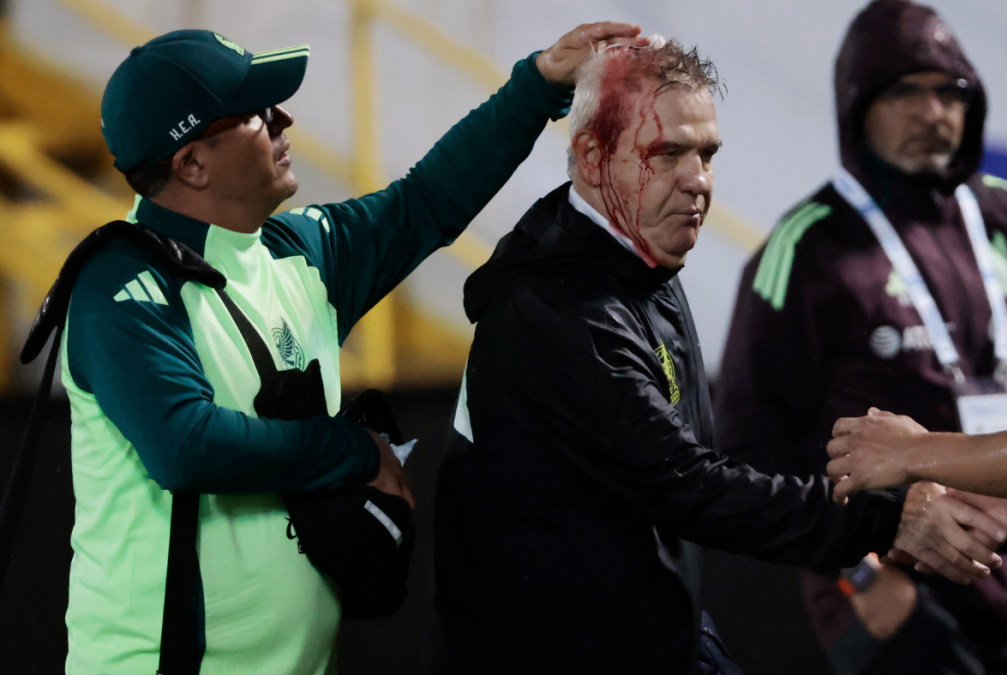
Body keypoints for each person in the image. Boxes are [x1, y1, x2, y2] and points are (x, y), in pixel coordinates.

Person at [63, 23, 644, 674]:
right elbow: (185, 444)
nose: (282, 116)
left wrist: (534, 87)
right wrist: (352, 450)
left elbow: (423, 203)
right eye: (257, 112)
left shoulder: (297, 252)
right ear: (192, 163)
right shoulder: (117, 285)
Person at [433, 36, 1007, 675]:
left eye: (707, 153)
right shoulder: (559, 314)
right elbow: (691, 488)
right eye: (667, 153)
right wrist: (885, 519)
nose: (699, 181)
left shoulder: (637, 257)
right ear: (592, 158)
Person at [713, 1, 1007, 673]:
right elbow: (748, 447)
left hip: (1002, 578)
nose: (932, 112)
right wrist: (855, 567)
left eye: (948, 92)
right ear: (856, 106)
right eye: (905, 91)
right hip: (881, 591)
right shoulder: (807, 246)